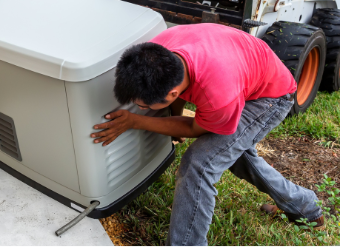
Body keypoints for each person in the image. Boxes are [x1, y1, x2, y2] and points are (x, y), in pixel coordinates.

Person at [90, 23, 323, 246]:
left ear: (171, 93)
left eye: (142, 105)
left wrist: (136, 121)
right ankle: (305, 207)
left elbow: (194, 129)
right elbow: (180, 97)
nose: (139, 108)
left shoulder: (218, 95)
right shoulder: (158, 52)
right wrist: (171, 116)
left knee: (199, 164)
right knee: (234, 155)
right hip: (244, 70)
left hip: (271, 98)